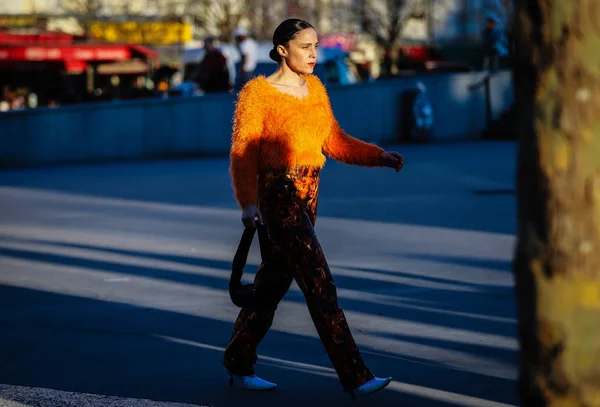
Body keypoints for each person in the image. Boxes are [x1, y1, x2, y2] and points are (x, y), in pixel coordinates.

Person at [224, 18, 404, 399]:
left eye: (315, 46)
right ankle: (355, 375)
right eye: (305, 46)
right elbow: (243, 152)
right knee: (319, 281)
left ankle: (238, 362)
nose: (313, 54)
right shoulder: (257, 94)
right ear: (282, 50)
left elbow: (334, 140)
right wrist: (248, 202)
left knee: (272, 285)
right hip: (278, 192)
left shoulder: (316, 89)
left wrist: (378, 156)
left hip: (309, 192)